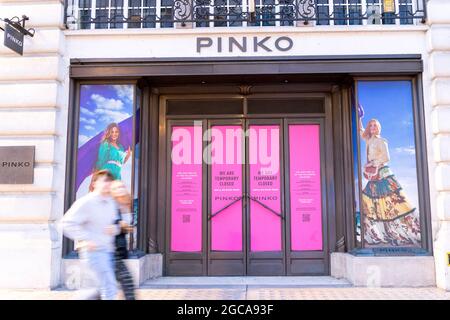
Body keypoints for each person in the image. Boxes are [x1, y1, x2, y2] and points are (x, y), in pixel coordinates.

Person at [359, 118, 421, 246]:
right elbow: (361, 132)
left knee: (394, 200)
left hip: (382, 173)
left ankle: (408, 230)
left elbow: (386, 157)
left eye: (374, 125)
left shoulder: (382, 141)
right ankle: (378, 234)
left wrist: (372, 163)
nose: (372, 127)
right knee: (370, 201)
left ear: (378, 128)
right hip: (374, 175)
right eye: (370, 125)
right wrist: (359, 117)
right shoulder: (369, 140)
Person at [62, 170, 120, 300]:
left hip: (108, 252)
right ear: (94, 183)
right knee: (109, 287)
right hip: (94, 252)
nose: (107, 184)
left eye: (109, 181)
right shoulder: (86, 202)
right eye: (104, 181)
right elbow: (66, 223)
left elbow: (114, 226)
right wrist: (86, 238)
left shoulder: (111, 202)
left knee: (93, 291)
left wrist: (114, 229)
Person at [110, 180, 136, 300]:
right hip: (111, 252)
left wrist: (125, 228)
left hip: (120, 252)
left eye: (122, 187)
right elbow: (106, 227)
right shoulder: (111, 206)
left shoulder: (125, 204)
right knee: (128, 285)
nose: (120, 189)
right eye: (116, 188)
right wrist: (120, 226)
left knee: (108, 288)